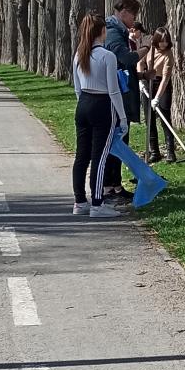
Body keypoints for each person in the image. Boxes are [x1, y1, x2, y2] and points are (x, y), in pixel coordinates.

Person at [71, 12, 128, 219]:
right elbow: (114, 91)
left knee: (81, 156)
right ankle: (97, 203)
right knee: (100, 157)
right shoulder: (107, 56)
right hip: (102, 105)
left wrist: (83, 104)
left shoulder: (79, 54)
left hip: (83, 103)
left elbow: (77, 87)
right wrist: (122, 117)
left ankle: (79, 201)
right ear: (102, 31)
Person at [103, 0, 147, 201]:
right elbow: (123, 60)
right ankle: (108, 186)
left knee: (121, 139)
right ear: (123, 13)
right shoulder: (113, 33)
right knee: (116, 141)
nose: (134, 20)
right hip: (116, 95)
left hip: (122, 91)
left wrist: (139, 75)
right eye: (133, 15)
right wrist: (144, 50)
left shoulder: (118, 31)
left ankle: (115, 184)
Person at [137, 28, 177, 164]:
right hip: (147, 81)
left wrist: (157, 98)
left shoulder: (168, 55)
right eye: (161, 42)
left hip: (161, 83)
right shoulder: (149, 49)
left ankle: (170, 151)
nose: (163, 45)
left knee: (165, 116)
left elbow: (165, 78)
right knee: (149, 119)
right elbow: (140, 63)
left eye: (166, 42)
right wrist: (141, 80)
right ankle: (154, 151)